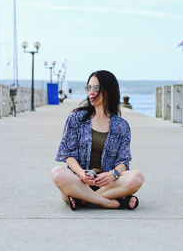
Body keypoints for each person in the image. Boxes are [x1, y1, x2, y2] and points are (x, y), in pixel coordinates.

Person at [51, 70, 144, 210]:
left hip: (108, 184)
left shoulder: (122, 125)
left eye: (96, 88)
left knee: (137, 177)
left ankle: (83, 199)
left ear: (109, 90)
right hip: (79, 181)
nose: (91, 92)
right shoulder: (76, 118)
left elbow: (124, 161)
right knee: (58, 173)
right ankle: (108, 202)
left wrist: (113, 175)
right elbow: (67, 154)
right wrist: (81, 174)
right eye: (89, 88)